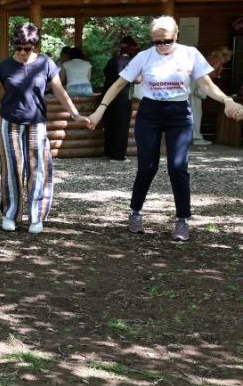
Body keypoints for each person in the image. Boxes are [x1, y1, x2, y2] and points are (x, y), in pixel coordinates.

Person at [85, 16, 243, 241]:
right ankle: (135, 213)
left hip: (178, 113)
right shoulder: (143, 57)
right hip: (149, 113)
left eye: (166, 41)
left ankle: (182, 220)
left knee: (178, 167)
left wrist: (227, 101)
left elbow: (206, 84)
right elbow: (120, 83)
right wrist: (100, 110)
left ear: (176, 34)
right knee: (147, 167)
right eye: (156, 42)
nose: (161, 46)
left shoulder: (190, 54)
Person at [0, 22, 85, 235]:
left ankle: (36, 216)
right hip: (10, 123)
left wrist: (75, 114)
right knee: (13, 169)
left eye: (28, 48)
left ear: (35, 46)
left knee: (38, 169)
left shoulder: (46, 64)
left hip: (36, 123)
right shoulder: (4, 67)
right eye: (19, 48)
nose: (23, 53)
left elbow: (60, 92)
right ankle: (10, 214)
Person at [101, 36, 138, 161]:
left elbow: (105, 73)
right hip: (122, 97)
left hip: (107, 96)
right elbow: (137, 80)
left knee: (109, 124)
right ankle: (118, 156)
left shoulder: (112, 61)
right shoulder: (131, 62)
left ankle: (108, 152)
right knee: (121, 126)